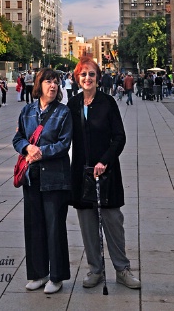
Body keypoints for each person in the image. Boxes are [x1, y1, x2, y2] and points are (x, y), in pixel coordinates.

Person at [67, 57, 141, 290]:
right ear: (77, 78)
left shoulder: (108, 103)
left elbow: (119, 137)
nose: (87, 78)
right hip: (81, 173)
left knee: (112, 221)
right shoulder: (73, 104)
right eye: (83, 74)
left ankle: (122, 269)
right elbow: (59, 133)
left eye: (91, 74)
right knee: (87, 224)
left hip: (106, 173)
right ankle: (95, 269)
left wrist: (105, 161)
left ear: (98, 77)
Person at [13, 68, 72, 294]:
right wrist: (27, 147)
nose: (53, 85)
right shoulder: (27, 111)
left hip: (55, 177)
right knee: (34, 225)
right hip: (32, 177)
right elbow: (17, 137)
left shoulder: (63, 113)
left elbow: (64, 143)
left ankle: (56, 276)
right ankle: (38, 273)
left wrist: (41, 152)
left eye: (56, 82)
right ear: (39, 84)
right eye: (48, 81)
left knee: (54, 227)